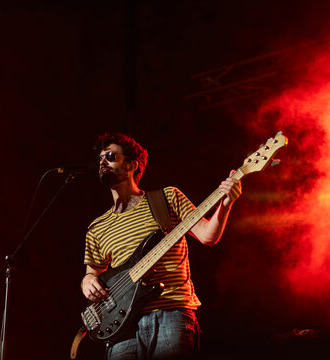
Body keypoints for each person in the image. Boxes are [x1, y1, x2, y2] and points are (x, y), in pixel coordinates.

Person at [81, 132, 241, 360]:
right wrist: (87, 281)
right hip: (123, 328)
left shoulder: (167, 198)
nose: (102, 162)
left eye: (110, 156)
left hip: (171, 314)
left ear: (132, 165)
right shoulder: (97, 227)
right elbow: (91, 274)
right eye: (100, 159)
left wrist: (225, 204)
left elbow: (207, 236)